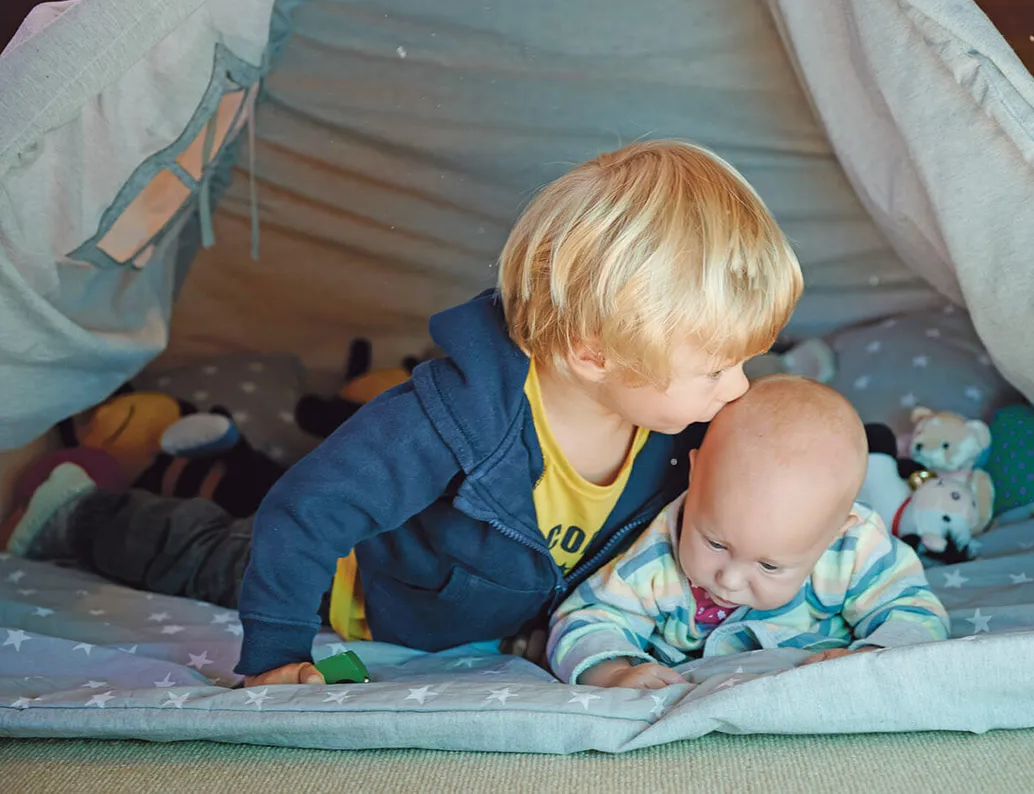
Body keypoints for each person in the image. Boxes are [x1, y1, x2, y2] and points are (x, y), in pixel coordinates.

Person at [5, 140, 805, 686]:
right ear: (594, 353)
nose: (737, 390)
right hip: (355, 590)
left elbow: (773, 496)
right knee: (208, 548)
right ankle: (79, 509)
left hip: (476, 608)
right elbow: (307, 512)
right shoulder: (448, 419)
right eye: (715, 367)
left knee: (253, 492)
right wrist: (277, 652)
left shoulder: (680, 427)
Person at [547, 376, 950, 689]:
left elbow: (915, 611)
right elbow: (586, 618)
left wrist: (872, 655)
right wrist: (612, 671)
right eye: (716, 543)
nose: (730, 579)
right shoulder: (658, 551)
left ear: (834, 534)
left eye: (770, 565)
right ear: (695, 472)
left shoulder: (854, 547)